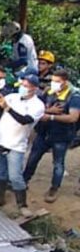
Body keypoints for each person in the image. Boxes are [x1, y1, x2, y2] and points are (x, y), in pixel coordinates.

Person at [0, 74, 45, 216]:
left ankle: (22, 205)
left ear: (35, 88)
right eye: (22, 85)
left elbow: (24, 120)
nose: (23, 88)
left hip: (17, 144)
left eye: (27, 86)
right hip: (0, 139)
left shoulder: (38, 105)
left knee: (15, 176)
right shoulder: (12, 97)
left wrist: (8, 108)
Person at [23, 68, 80, 203]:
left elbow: (73, 117)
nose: (54, 84)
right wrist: (49, 112)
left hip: (61, 135)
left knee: (58, 163)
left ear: (65, 82)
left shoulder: (74, 96)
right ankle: (23, 181)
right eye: (53, 80)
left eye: (57, 81)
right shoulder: (48, 92)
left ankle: (54, 188)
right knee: (32, 158)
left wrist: (51, 117)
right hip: (44, 133)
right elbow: (37, 107)